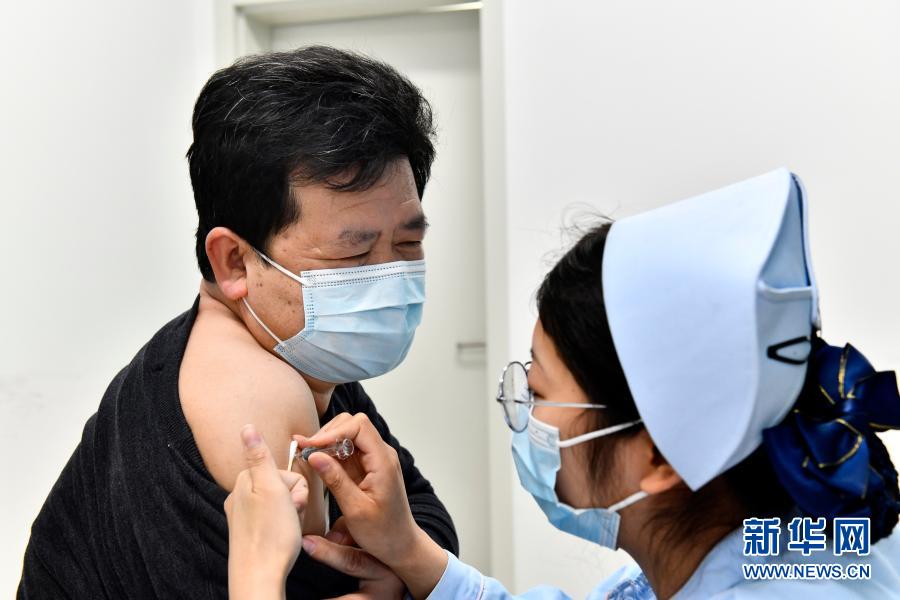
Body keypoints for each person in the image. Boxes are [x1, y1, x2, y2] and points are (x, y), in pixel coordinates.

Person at [226, 168, 900, 598]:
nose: (524, 409)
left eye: (544, 393)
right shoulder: (791, 542)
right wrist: (409, 551)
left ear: (660, 455)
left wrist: (256, 574)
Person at [18, 46, 457, 599]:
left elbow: (418, 518)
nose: (389, 275)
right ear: (234, 261)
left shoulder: (296, 349)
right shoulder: (261, 394)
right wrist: (402, 574)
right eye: (353, 254)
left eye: (409, 242)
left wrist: (402, 564)